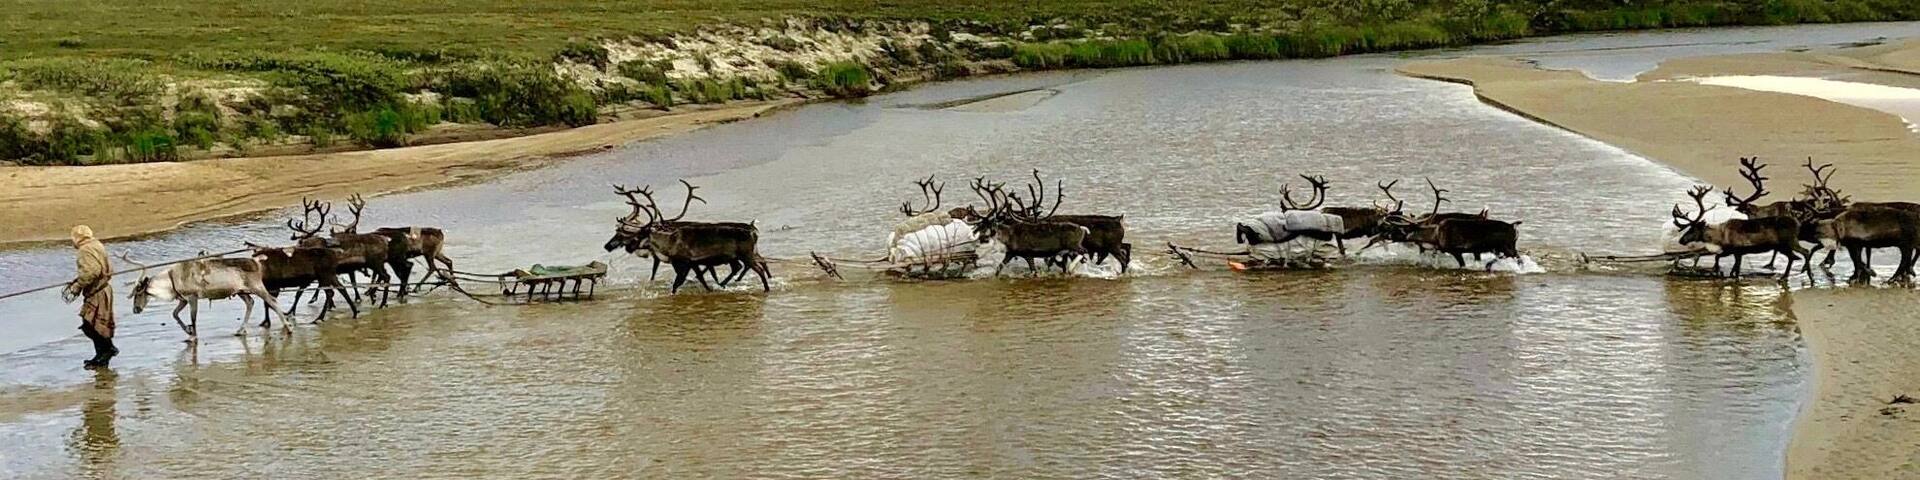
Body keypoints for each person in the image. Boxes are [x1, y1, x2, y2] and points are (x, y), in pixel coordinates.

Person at [62, 225, 116, 369]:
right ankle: (102, 356)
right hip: (104, 288)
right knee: (96, 324)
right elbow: (107, 267)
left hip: (97, 291)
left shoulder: (84, 250)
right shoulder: (96, 244)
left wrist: (77, 286)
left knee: (90, 325)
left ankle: (107, 351)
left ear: (77, 237)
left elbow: (91, 272)